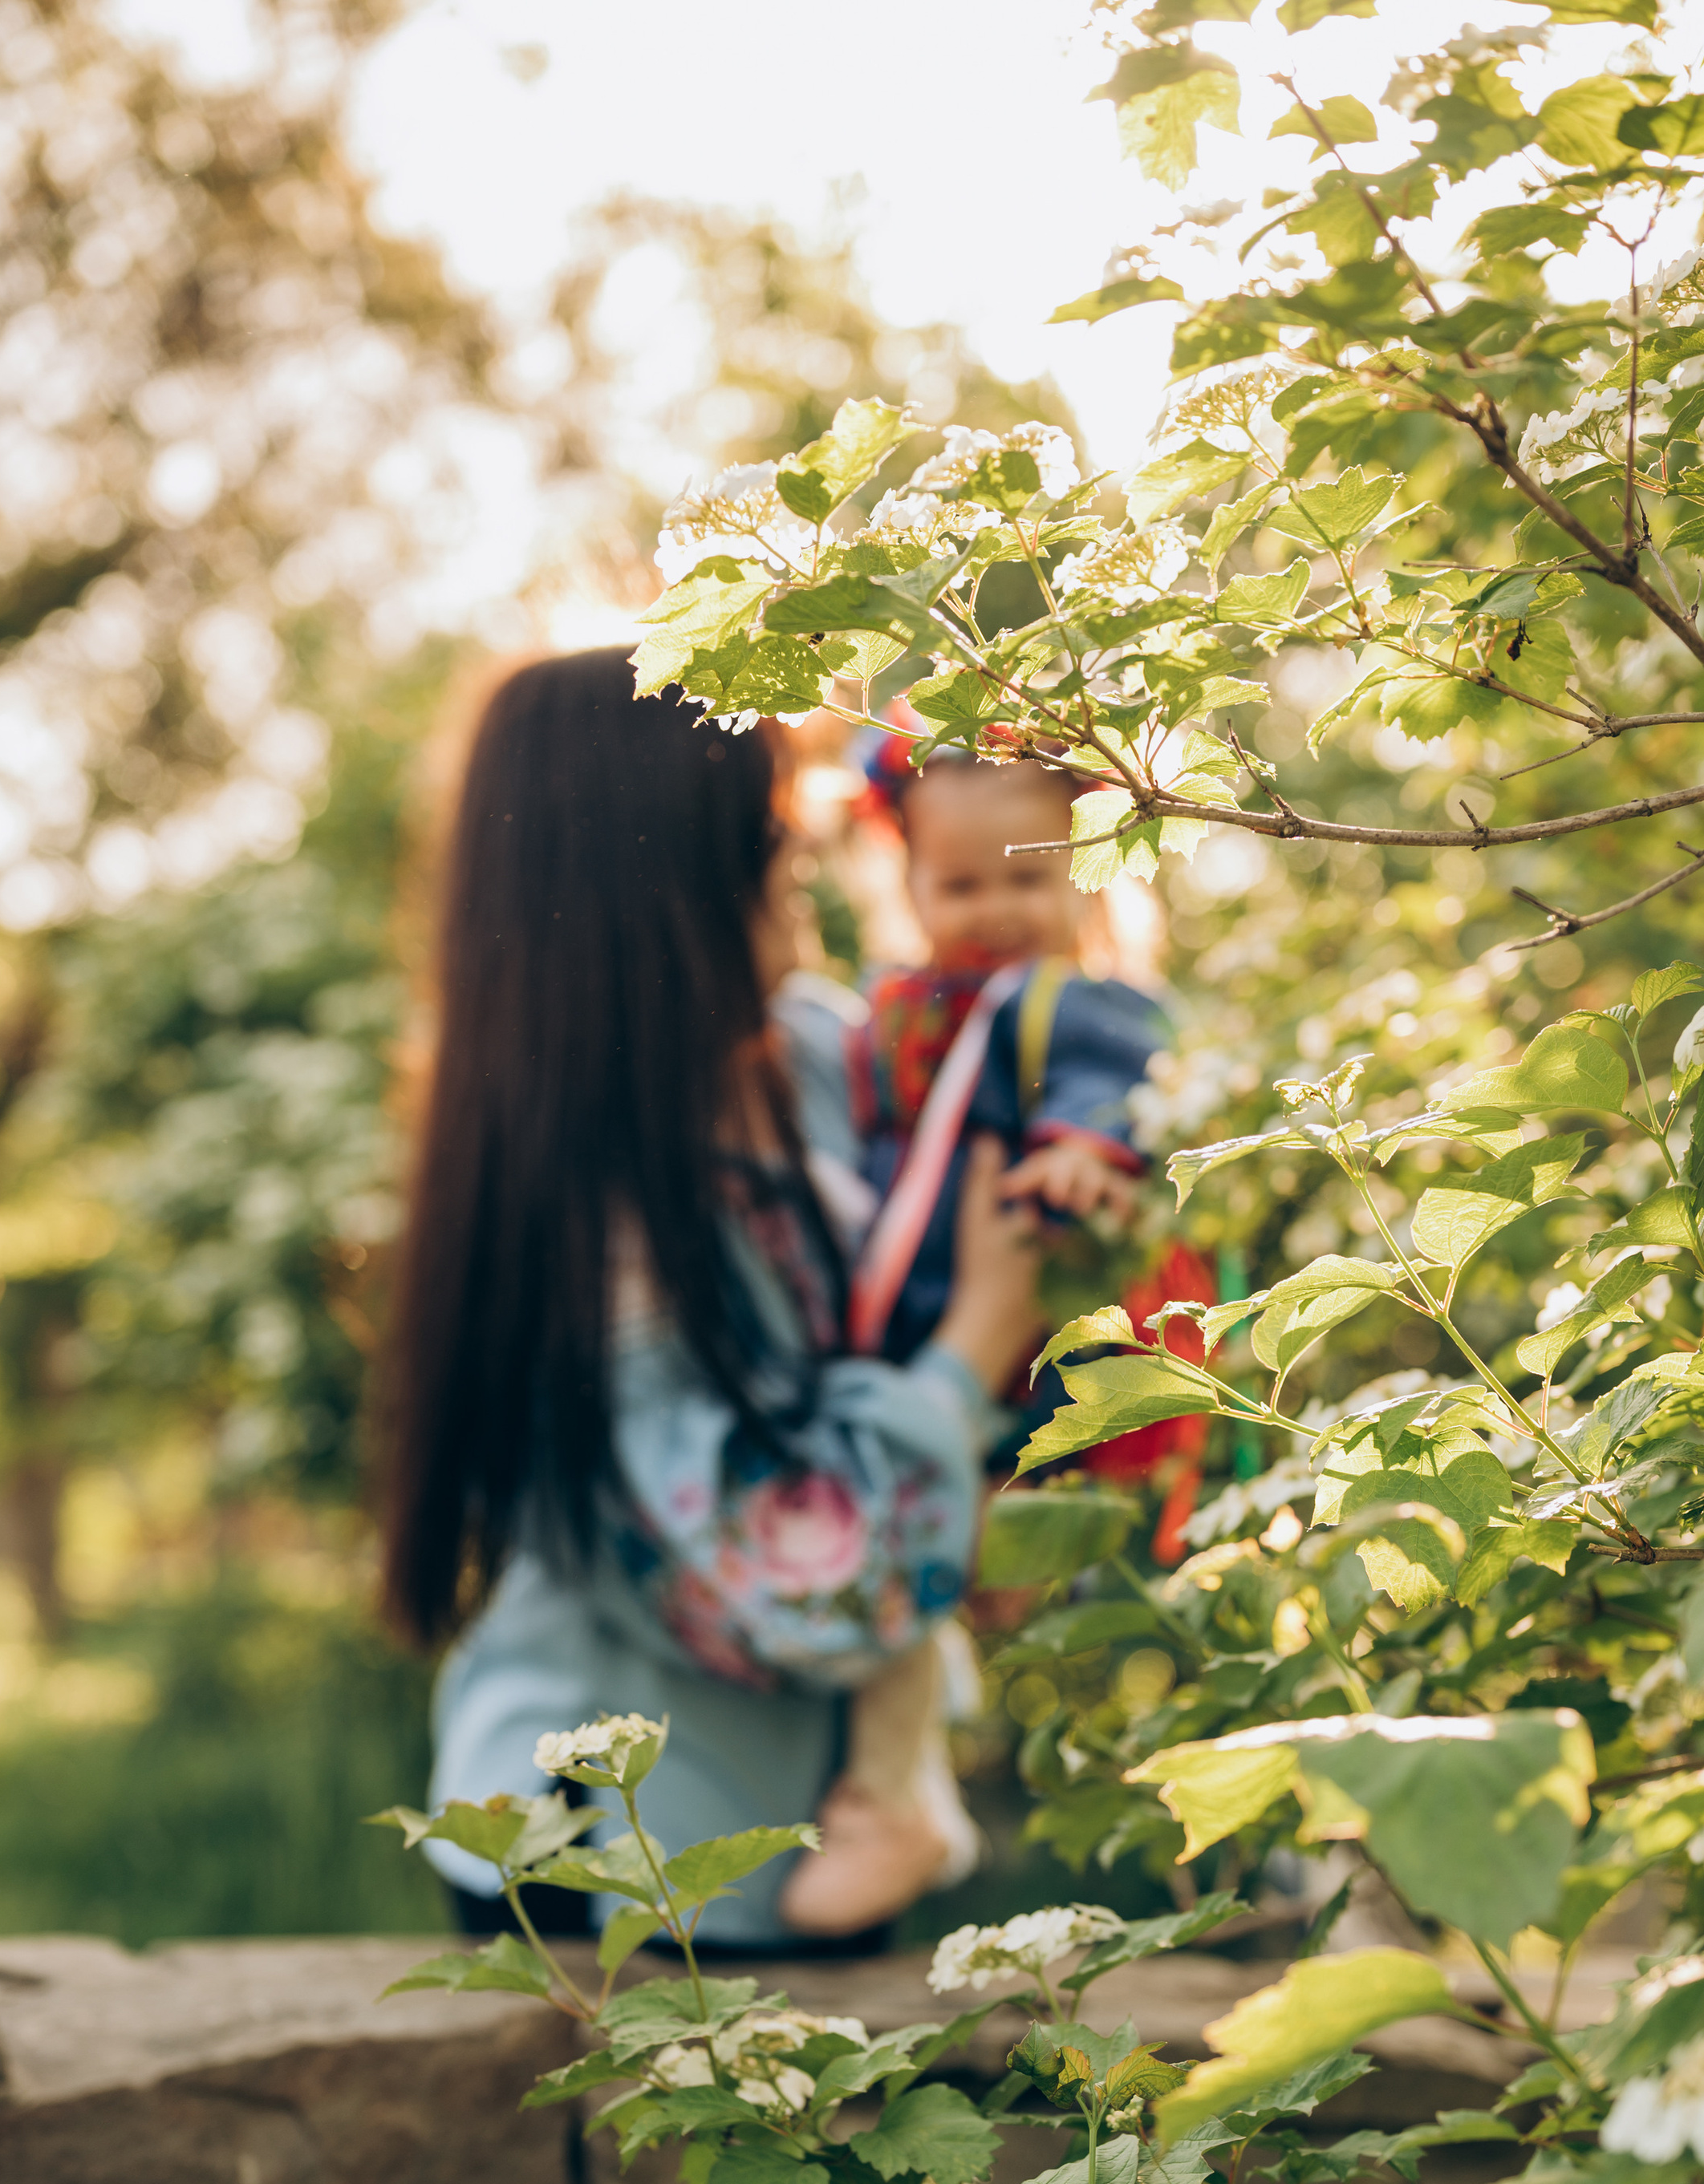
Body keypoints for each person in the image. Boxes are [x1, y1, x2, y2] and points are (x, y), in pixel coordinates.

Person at [378, 649, 1045, 1951]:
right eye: (770, 853)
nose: (799, 890)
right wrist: (978, 1342)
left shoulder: (808, 1059)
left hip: (800, 1833)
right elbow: (796, 1583)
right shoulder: (596, 1234)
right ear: (666, 894)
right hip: (615, 1859)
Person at [769, 730, 1195, 1938]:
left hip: (1021, 1335)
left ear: (1087, 872)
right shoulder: (893, 1012)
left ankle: (904, 1783)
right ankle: (897, 1781)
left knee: (934, 1534)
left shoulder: (1077, 1002)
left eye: (1030, 876)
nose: (999, 910)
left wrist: (1083, 1156)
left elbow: (1110, 1091)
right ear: (904, 885)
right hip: (908, 1331)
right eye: (962, 885)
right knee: (898, 1537)